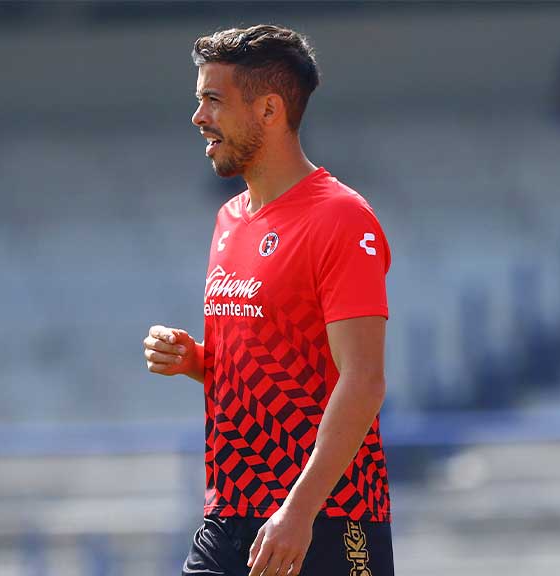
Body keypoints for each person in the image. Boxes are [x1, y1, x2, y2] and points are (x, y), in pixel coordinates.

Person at [143, 25, 394, 576]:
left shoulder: (341, 219)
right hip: (229, 517)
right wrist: (198, 363)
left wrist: (299, 512)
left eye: (213, 100)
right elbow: (281, 369)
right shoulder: (229, 219)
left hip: (328, 520)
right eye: (198, 100)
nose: (198, 117)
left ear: (270, 110)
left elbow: (364, 380)